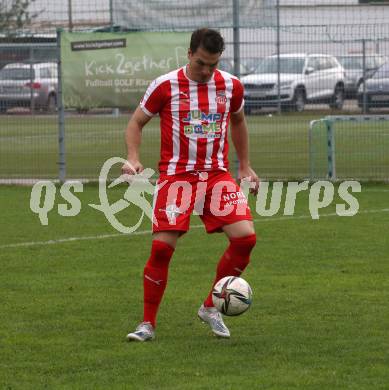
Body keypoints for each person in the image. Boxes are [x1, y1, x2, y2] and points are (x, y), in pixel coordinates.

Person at [123, 28, 259, 341]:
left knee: (245, 240)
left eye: (213, 64)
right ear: (188, 54)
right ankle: (147, 325)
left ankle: (211, 306)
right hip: (176, 177)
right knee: (161, 249)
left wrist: (246, 166)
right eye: (201, 63)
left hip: (215, 175)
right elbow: (135, 123)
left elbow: (238, 122)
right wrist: (132, 156)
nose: (207, 71)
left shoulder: (231, 86)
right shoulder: (165, 85)